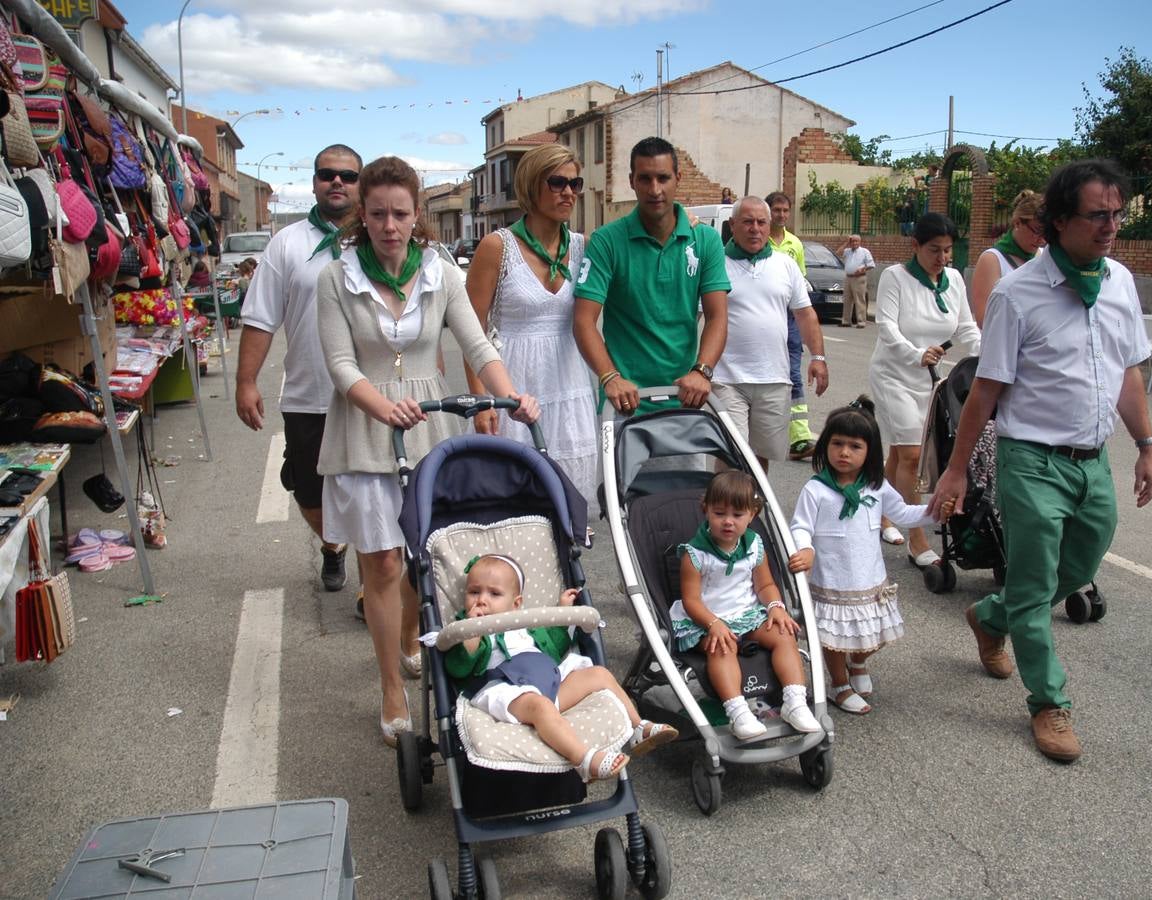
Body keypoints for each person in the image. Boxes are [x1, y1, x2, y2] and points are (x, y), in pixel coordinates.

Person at [925, 159, 1152, 763]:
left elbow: (1128, 371)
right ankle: (1049, 703)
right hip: (1030, 460)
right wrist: (953, 469)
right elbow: (985, 388)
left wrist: (1147, 445)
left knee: (1079, 563)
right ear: (1058, 221)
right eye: (1097, 215)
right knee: (1033, 584)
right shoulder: (1018, 292)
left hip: (1092, 459)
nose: (1111, 226)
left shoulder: (1120, 283)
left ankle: (992, 616)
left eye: (1117, 214)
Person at [315, 155, 541, 747]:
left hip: (428, 425)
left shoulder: (440, 272)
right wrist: (377, 404)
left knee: (424, 554)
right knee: (383, 562)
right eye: (378, 214)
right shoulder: (335, 279)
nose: (390, 225)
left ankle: (412, 633)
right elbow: (340, 365)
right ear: (361, 216)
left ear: (418, 217)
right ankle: (391, 686)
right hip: (365, 427)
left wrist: (510, 394)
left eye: (400, 214)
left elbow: (476, 341)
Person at [237, 144, 363, 595]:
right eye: (328, 174)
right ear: (314, 182)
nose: (337, 182)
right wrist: (246, 381)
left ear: (359, 184)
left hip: (373, 398)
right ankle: (333, 546)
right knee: (310, 494)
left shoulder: (378, 237)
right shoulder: (286, 244)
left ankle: (375, 584)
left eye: (348, 176)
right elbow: (260, 318)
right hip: (310, 396)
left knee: (376, 495)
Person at [445, 554, 678, 781]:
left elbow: (554, 648)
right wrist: (471, 633)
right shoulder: (468, 628)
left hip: (547, 681)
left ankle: (638, 727)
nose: (481, 600)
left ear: (516, 604)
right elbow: (459, 668)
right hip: (507, 690)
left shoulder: (527, 625)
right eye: (474, 591)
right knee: (540, 705)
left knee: (599, 674)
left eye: (494, 593)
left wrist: (562, 611)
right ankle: (585, 761)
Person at [788, 399, 951, 715]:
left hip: (869, 577)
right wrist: (805, 549)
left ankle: (858, 662)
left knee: (872, 636)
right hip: (832, 579)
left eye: (854, 446)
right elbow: (801, 526)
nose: (844, 453)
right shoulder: (816, 490)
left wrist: (936, 513)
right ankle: (838, 684)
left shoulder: (876, 486)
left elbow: (902, 511)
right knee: (832, 637)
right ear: (825, 446)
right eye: (837, 444)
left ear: (870, 451)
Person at [463, 144, 597, 507]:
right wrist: (482, 403)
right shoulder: (498, 247)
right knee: (511, 505)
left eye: (575, 183)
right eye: (557, 182)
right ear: (530, 185)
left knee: (570, 506)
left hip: (569, 389)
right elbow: (470, 332)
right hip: (513, 390)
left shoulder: (585, 247)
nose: (568, 191)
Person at [573, 137, 730, 414]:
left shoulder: (705, 240)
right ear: (632, 181)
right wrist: (610, 376)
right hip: (623, 403)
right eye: (645, 179)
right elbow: (584, 320)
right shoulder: (606, 241)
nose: (654, 189)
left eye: (663, 178)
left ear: (678, 178)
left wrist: (702, 371)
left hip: (684, 398)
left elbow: (717, 316)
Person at [671, 472, 822, 739]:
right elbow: (691, 600)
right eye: (719, 514)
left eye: (738, 515)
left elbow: (764, 586)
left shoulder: (753, 545)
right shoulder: (695, 554)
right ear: (706, 510)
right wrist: (713, 624)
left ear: (752, 514)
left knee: (784, 634)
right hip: (706, 618)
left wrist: (776, 606)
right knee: (722, 647)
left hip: (745, 614)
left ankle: (794, 701)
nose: (728, 522)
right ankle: (738, 711)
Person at [869, 212, 980, 559]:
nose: (942, 258)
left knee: (898, 454)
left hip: (931, 380)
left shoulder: (954, 279)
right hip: (894, 374)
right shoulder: (895, 277)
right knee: (913, 455)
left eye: (948, 250)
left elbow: (966, 328)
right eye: (934, 250)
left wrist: (990, 359)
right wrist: (916, 354)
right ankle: (918, 539)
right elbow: (886, 326)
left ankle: (882, 513)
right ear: (915, 245)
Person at [713, 197, 827, 471]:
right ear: (733, 225)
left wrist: (818, 357)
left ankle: (754, 510)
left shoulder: (784, 264)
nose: (755, 229)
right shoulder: (716, 263)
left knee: (760, 458)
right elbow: (697, 317)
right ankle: (724, 510)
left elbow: (805, 314)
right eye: (747, 222)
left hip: (774, 378)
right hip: (727, 379)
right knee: (733, 455)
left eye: (761, 222)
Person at [766, 191, 820, 461]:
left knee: (793, 375)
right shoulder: (756, 237)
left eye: (786, 211)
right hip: (766, 319)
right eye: (777, 210)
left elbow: (801, 285)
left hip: (790, 319)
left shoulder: (794, 244)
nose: (782, 215)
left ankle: (799, 438)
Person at [969, 189, 1046, 327]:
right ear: (1017, 223)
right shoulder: (992, 260)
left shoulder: (1045, 255)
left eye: (1048, 233)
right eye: (1037, 231)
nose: (1042, 240)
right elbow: (984, 320)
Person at [837, 235, 874, 327]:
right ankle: (846, 321)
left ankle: (861, 322)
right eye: (852, 241)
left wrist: (862, 269)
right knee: (847, 300)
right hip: (848, 277)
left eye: (856, 241)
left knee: (859, 300)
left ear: (860, 242)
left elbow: (871, 265)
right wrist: (846, 243)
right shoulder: (847, 251)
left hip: (859, 278)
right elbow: (838, 253)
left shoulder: (864, 252)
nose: (854, 243)